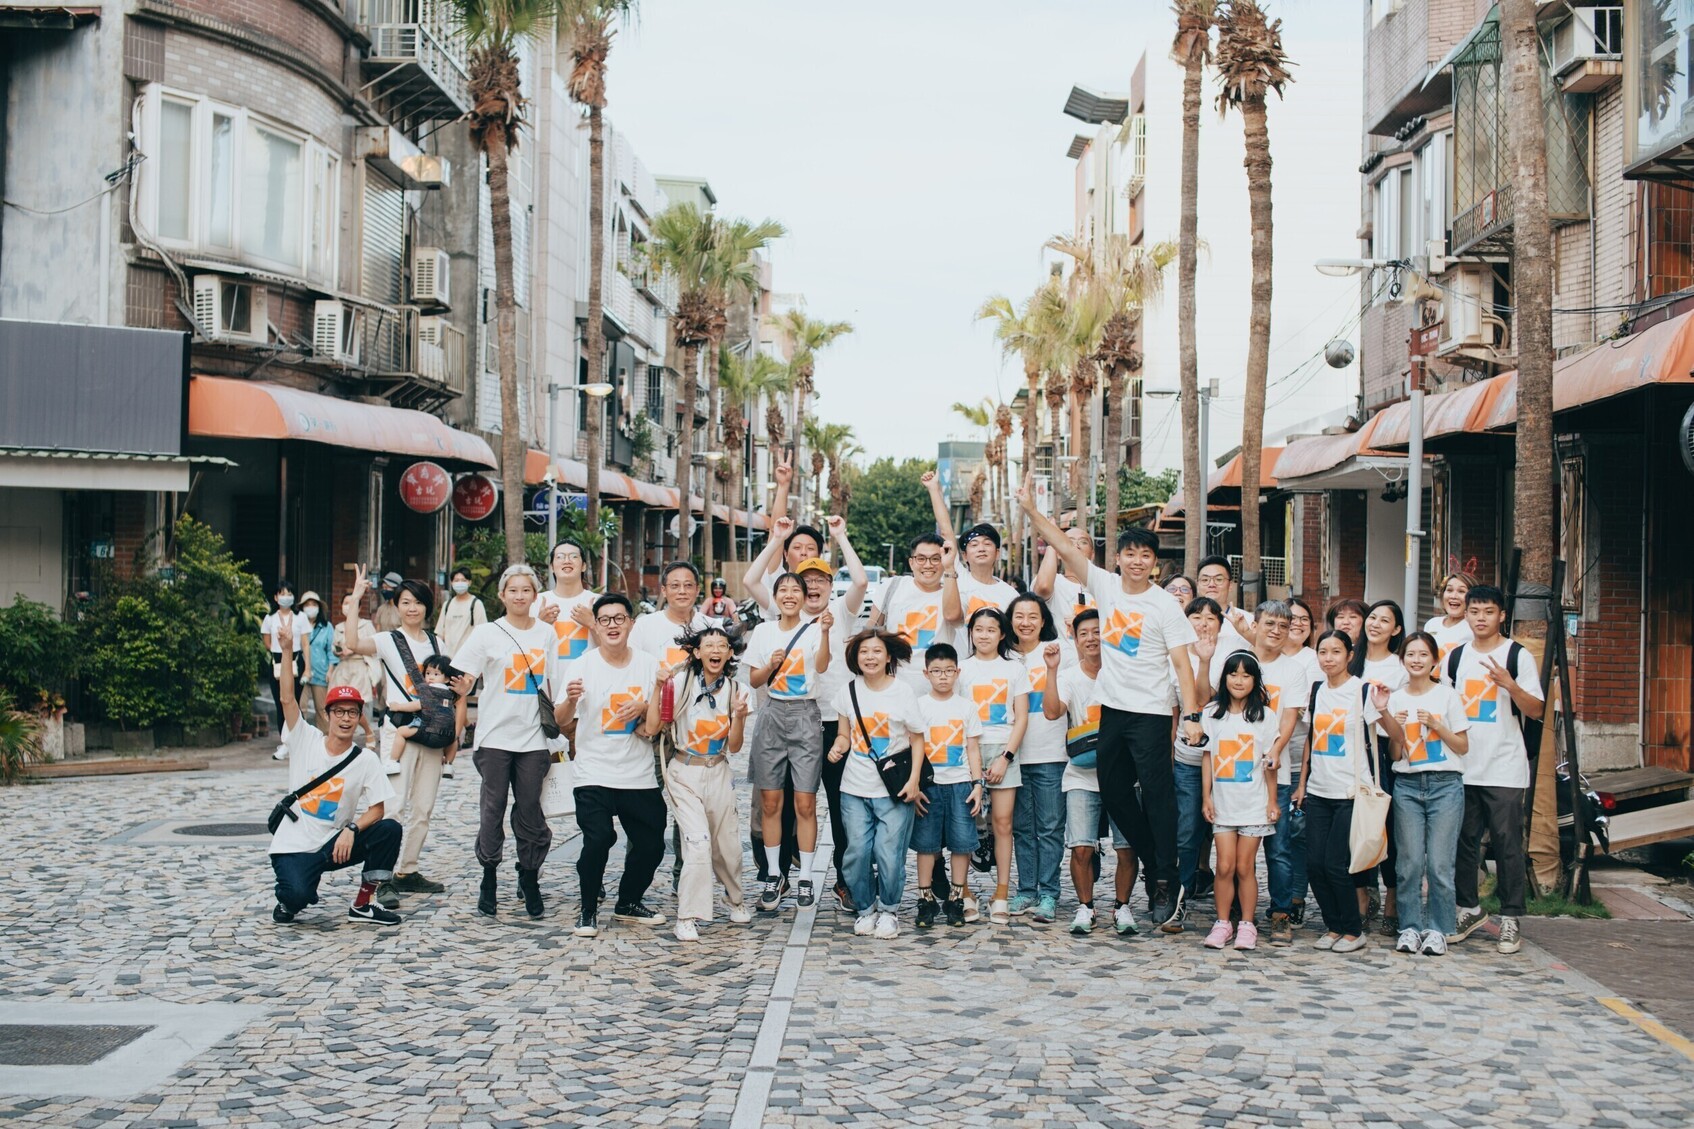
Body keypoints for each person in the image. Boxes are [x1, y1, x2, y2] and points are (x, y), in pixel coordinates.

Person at [1020, 477, 1204, 929]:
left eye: (1146, 556)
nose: (1138, 562)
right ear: (1118, 558)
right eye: (1130, 554)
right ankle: (1160, 868)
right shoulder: (1104, 585)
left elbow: (1182, 665)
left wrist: (1193, 716)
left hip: (1153, 714)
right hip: (1114, 713)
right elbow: (1063, 546)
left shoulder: (1165, 607)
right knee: (1117, 795)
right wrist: (1029, 509)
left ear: (1154, 564)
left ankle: (1166, 881)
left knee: (1159, 801)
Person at [268, 596, 402, 927]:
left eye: (352, 713)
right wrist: (287, 651)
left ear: (359, 719)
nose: (345, 719)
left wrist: (352, 829)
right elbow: (287, 697)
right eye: (339, 712)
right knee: (296, 898)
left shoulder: (364, 759)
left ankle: (363, 903)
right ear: (327, 715)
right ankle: (290, 895)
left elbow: (379, 808)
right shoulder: (305, 739)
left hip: (334, 843)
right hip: (295, 844)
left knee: (388, 830)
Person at [556, 593, 668, 937]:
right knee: (598, 839)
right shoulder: (582, 665)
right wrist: (571, 700)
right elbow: (562, 720)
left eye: (619, 618)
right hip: (594, 771)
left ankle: (628, 901)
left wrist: (644, 703)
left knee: (652, 844)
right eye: (605, 619)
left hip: (637, 773)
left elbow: (660, 718)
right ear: (597, 625)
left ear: (631, 624)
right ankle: (588, 908)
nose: (612, 625)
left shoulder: (649, 664)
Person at [1291, 629, 1404, 954]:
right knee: (1314, 864)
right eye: (1323, 652)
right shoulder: (1317, 691)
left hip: (1352, 792)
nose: (1329, 658)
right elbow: (1312, 739)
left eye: (1336, 652)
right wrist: (1302, 785)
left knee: (1335, 864)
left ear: (1349, 655)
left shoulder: (1362, 691)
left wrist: (1382, 708)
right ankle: (1333, 925)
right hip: (1319, 791)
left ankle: (1353, 930)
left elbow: (1397, 737)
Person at [1447, 584, 1544, 957]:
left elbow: (1536, 709)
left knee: (1507, 846)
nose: (1481, 618)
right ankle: (1468, 909)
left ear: (1502, 615)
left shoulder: (1517, 655)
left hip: (1504, 766)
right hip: (1463, 767)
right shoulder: (1455, 657)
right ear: (1466, 615)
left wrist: (1509, 685)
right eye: (1474, 612)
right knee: (1464, 843)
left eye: (1489, 611)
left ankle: (1511, 918)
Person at [345, 576, 448, 907]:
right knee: (393, 806)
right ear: (397, 606)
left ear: (427, 606)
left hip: (431, 734)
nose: (412, 607)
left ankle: (409, 870)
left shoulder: (438, 643)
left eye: (418, 602)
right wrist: (358, 598)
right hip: (399, 732)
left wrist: (453, 736)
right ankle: (380, 877)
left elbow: (451, 689)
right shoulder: (389, 640)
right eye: (406, 602)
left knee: (424, 806)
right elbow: (352, 643)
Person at [650, 624, 753, 941]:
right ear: (696, 652)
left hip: (719, 771)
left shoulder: (736, 691)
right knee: (697, 843)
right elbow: (654, 726)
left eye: (722, 645)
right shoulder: (679, 683)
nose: (716, 650)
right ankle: (687, 915)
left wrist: (740, 716)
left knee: (728, 847)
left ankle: (733, 897)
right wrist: (657, 688)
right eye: (709, 645)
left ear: (730, 653)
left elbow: (734, 747)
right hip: (684, 772)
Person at [827, 628, 928, 940]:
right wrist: (838, 746)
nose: (870, 657)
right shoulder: (848, 692)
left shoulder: (903, 692)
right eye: (863, 652)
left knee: (889, 852)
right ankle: (865, 908)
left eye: (876, 651)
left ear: (888, 657)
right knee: (856, 851)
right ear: (855, 658)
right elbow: (845, 733)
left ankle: (889, 909)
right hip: (854, 787)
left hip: (894, 789)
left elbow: (917, 740)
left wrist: (914, 782)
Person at [747, 573, 834, 912]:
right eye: (782, 590)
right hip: (772, 713)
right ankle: (773, 874)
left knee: (805, 802)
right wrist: (770, 664)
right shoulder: (763, 632)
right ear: (775, 596)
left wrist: (825, 632)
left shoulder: (814, 629)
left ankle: (806, 876)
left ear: (803, 596)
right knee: (770, 801)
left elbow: (823, 666)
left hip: (805, 716)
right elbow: (755, 679)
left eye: (795, 590)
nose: (789, 595)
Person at [1048, 610, 1139, 937]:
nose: (1091, 638)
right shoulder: (1070, 676)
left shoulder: (1125, 673)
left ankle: (1122, 905)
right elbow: (1052, 711)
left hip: (1124, 774)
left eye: (1097, 631)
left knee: (1127, 846)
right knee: (1082, 847)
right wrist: (1052, 671)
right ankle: (1085, 906)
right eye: (1084, 633)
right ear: (1075, 638)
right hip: (1082, 773)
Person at [794, 528, 867, 912]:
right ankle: (784, 866)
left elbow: (861, 580)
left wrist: (840, 535)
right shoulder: (785, 613)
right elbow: (755, 580)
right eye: (805, 581)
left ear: (829, 583)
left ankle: (847, 881)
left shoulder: (841, 611)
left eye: (820, 580)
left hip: (838, 725)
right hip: (798, 721)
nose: (813, 587)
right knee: (793, 802)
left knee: (843, 809)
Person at [1388, 631, 1471, 956]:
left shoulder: (1448, 696)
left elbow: (1463, 746)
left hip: (1445, 784)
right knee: (1408, 863)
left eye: (1424, 655)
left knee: (1439, 864)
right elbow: (1395, 754)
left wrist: (1437, 726)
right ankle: (1408, 927)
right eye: (1411, 654)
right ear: (1403, 660)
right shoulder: (1396, 698)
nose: (1417, 660)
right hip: (1407, 785)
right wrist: (1395, 727)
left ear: (1434, 660)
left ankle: (1439, 929)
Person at [1199, 652, 1284, 951]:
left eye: (1246, 675)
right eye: (1233, 674)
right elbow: (1207, 758)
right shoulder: (1212, 713)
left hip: (1253, 803)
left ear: (1255, 680)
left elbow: (1269, 763)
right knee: (1224, 865)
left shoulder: (1265, 716)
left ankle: (1247, 924)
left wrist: (1272, 801)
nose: (1239, 680)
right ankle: (1223, 923)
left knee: (1245, 867)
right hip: (1223, 803)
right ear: (1224, 678)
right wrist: (1206, 796)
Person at [1237, 601, 1308, 946]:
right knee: (1235, 847)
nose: (1277, 630)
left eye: (1284, 625)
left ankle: (1280, 913)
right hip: (1234, 771)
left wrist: (1276, 751)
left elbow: (1289, 716)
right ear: (1256, 624)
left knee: (1278, 848)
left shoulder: (1293, 670)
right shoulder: (1238, 661)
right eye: (1270, 623)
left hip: (1275, 774)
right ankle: (1237, 910)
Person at [959, 607, 1030, 924]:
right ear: (970, 633)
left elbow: (1022, 717)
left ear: (1002, 634)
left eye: (991, 629)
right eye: (978, 629)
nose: (983, 635)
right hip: (965, 751)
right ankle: (962, 892)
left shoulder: (1015, 670)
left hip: (1002, 749)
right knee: (962, 824)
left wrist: (1006, 757)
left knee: (1003, 824)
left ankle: (1001, 893)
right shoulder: (961, 670)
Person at [1005, 593, 1071, 925]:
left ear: (1043, 620)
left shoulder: (1059, 651)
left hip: (1051, 753)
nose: (1026, 622)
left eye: (1033, 616)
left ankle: (1049, 892)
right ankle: (1026, 889)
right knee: (1021, 827)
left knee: (1049, 827)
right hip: (1012, 756)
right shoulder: (1003, 658)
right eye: (1019, 616)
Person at [912, 642, 984, 929]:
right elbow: (912, 747)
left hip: (960, 784)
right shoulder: (918, 706)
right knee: (927, 844)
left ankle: (956, 897)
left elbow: (973, 748)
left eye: (948, 671)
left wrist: (977, 784)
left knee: (961, 842)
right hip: (929, 785)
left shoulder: (967, 707)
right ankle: (925, 898)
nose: (943, 676)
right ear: (926, 673)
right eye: (936, 671)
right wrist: (914, 785)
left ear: (958, 672)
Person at [1350, 599, 1409, 934]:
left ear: (1396, 629)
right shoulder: (1352, 660)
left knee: (1385, 823)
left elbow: (1397, 719)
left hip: (1383, 751)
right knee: (1356, 823)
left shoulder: (1398, 667)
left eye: (1384, 620)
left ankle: (1391, 898)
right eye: (1372, 617)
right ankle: (1361, 896)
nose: (1375, 624)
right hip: (1352, 750)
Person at [1169, 596, 1222, 932]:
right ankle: (1180, 896)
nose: (1204, 622)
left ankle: (1229, 907)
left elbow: (1204, 699)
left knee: (1229, 832)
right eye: (1196, 616)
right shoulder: (1175, 657)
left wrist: (1206, 662)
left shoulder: (1229, 654)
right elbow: (1177, 711)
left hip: (1228, 762)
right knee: (1187, 831)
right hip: (1187, 762)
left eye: (1211, 617)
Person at [870, 531, 961, 695]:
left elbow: (953, 617)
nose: (928, 565)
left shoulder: (952, 593)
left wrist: (949, 567)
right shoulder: (893, 586)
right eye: (921, 559)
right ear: (911, 563)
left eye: (935, 559)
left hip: (937, 690)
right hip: (892, 687)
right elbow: (870, 631)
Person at [1279, 596, 1321, 928]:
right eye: (1290, 617)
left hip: (1300, 759)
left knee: (1298, 835)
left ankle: (1296, 897)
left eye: (1303, 618)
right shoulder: (1266, 656)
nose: (1296, 622)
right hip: (1264, 762)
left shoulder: (1315, 660)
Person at [435, 566, 487, 775]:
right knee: (453, 699)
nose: (459, 582)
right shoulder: (448, 605)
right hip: (450, 659)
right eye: (455, 579)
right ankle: (468, 726)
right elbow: (440, 631)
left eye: (462, 579)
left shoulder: (476, 604)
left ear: (469, 582)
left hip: (468, 661)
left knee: (460, 698)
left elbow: (482, 632)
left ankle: (455, 736)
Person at [386, 654, 466, 773]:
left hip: (427, 731)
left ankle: (393, 762)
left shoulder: (430, 690)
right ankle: (448, 765)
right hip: (446, 735)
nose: (430, 677)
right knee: (453, 740)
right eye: (428, 673)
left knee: (401, 732)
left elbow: (418, 705)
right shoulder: (451, 694)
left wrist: (398, 707)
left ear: (446, 678)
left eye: (436, 674)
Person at [262, 579, 309, 759]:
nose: (286, 597)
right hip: (277, 661)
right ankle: (285, 743)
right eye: (282, 593)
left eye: (289, 593)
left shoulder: (301, 617)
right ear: (275, 597)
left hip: (297, 659)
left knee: (294, 702)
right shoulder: (269, 618)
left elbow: (305, 643)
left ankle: (299, 741)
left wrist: (308, 669)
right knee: (281, 702)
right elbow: (267, 642)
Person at [536, 541, 597, 666]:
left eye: (574, 556)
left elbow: (616, 651)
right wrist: (540, 625)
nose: (567, 561)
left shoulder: (599, 602)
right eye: (560, 557)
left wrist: (592, 624)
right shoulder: (535, 602)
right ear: (552, 567)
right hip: (547, 683)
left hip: (587, 682)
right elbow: (520, 648)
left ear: (584, 566)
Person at [329, 598, 379, 749]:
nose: (348, 607)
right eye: (345, 603)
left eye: (352, 603)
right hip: (343, 668)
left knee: (357, 704)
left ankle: (368, 732)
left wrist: (354, 648)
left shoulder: (366, 625)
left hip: (359, 667)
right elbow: (334, 648)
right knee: (339, 704)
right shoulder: (338, 627)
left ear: (359, 608)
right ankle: (344, 740)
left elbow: (374, 647)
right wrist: (339, 651)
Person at [1032, 527, 1096, 639]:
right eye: (1069, 542)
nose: (1076, 545)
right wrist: (1053, 541)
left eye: (1083, 542)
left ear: (1092, 554)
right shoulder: (1053, 581)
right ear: (1058, 554)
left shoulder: (1102, 585)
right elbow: (1043, 587)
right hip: (1059, 655)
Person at [1195, 556, 1253, 656]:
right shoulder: (1188, 620)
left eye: (1218, 579)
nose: (1211, 584)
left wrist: (1247, 633)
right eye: (1205, 580)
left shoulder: (1247, 620)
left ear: (1230, 585)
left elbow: (1266, 652)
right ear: (1197, 585)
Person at [298, 591, 337, 734]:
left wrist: (331, 670)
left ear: (319, 607)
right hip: (301, 671)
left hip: (321, 672)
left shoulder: (327, 627)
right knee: (300, 707)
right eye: (307, 605)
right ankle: (300, 739)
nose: (310, 607)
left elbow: (330, 650)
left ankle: (325, 739)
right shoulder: (297, 625)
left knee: (322, 708)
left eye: (313, 604)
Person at [1424, 571, 1476, 663]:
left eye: (1461, 591)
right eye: (1449, 590)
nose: (1454, 596)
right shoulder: (1432, 624)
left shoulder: (1475, 627)